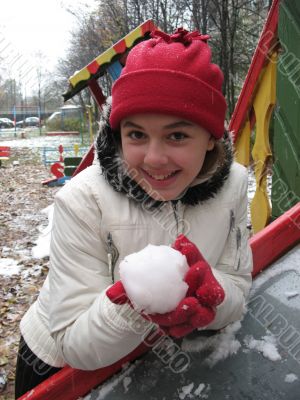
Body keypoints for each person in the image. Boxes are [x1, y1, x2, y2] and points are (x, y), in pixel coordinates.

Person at [15, 28, 253, 398]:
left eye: (177, 136)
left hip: (153, 362)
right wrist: (136, 302)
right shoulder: (82, 199)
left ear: (210, 137)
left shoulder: (234, 185)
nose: (154, 159)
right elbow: (72, 342)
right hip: (61, 372)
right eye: (137, 135)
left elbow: (238, 284)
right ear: (118, 133)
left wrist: (213, 297)